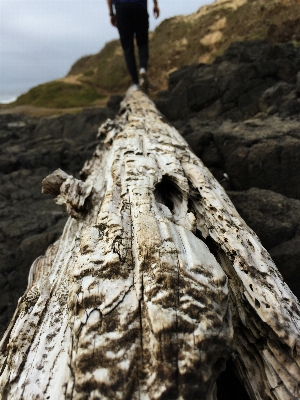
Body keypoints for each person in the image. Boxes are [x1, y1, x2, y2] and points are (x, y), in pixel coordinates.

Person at [107, 0, 160, 92]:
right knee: (142, 43)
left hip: (121, 8)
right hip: (139, 6)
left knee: (128, 47)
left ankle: (135, 83)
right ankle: (143, 69)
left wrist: (111, 14)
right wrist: (155, 4)